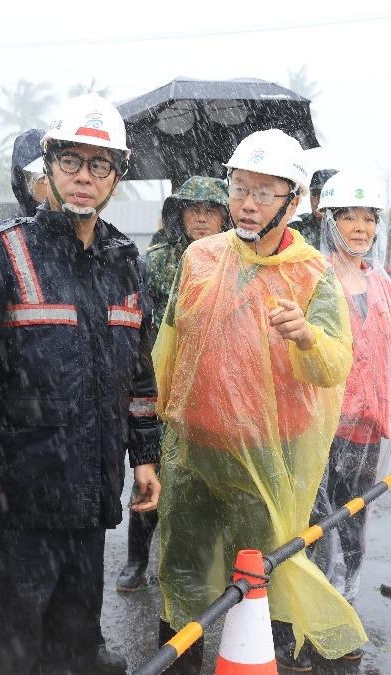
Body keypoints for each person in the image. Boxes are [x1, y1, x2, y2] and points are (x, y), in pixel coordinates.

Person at [0, 93, 161, 675]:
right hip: (16, 505)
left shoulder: (124, 260)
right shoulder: (2, 253)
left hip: (90, 505)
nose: (84, 178)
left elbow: (138, 370)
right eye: (71, 163)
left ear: (117, 174)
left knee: (74, 649)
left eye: (100, 166)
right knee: (7, 653)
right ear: (49, 165)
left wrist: (145, 454)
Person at [153, 129, 364, 673]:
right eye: (239, 187)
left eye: (264, 192)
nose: (247, 203)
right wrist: (154, 433)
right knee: (183, 572)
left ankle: (259, 660)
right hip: (194, 448)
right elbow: (169, 347)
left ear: (292, 203)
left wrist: (307, 337)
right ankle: (177, 665)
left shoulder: (311, 274)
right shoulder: (199, 258)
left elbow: (335, 366)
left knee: (258, 574)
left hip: (271, 455)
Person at [308, 171, 391, 661]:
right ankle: (311, 621)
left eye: (368, 217)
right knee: (314, 527)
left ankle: (344, 609)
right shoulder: (312, 275)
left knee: (353, 524)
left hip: (366, 429)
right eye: (347, 216)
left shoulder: (383, 286)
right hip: (317, 427)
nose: (359, 226)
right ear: (327, 220)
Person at [116, 175, 228, 593]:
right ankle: (136, 560)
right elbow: (138, 324)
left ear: (224, 215)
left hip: (213, 388)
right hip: (161, 385)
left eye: (211, 209)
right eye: (193, 209)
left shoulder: (234, 260)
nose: (201, 217)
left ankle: (198, 563)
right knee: (151, 471)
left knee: (207, 479)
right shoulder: (157, 260)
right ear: (179, 214)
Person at [288, 168, 338, 248]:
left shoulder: (351, 230)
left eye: (326, 194)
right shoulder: (295, 230)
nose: (320, 200)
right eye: (315, 194)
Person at [10, 128, 48, 216]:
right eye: (41, 176)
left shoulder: (79, 222)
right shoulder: (17, 228)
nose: (48, 181)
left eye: (52, 173)